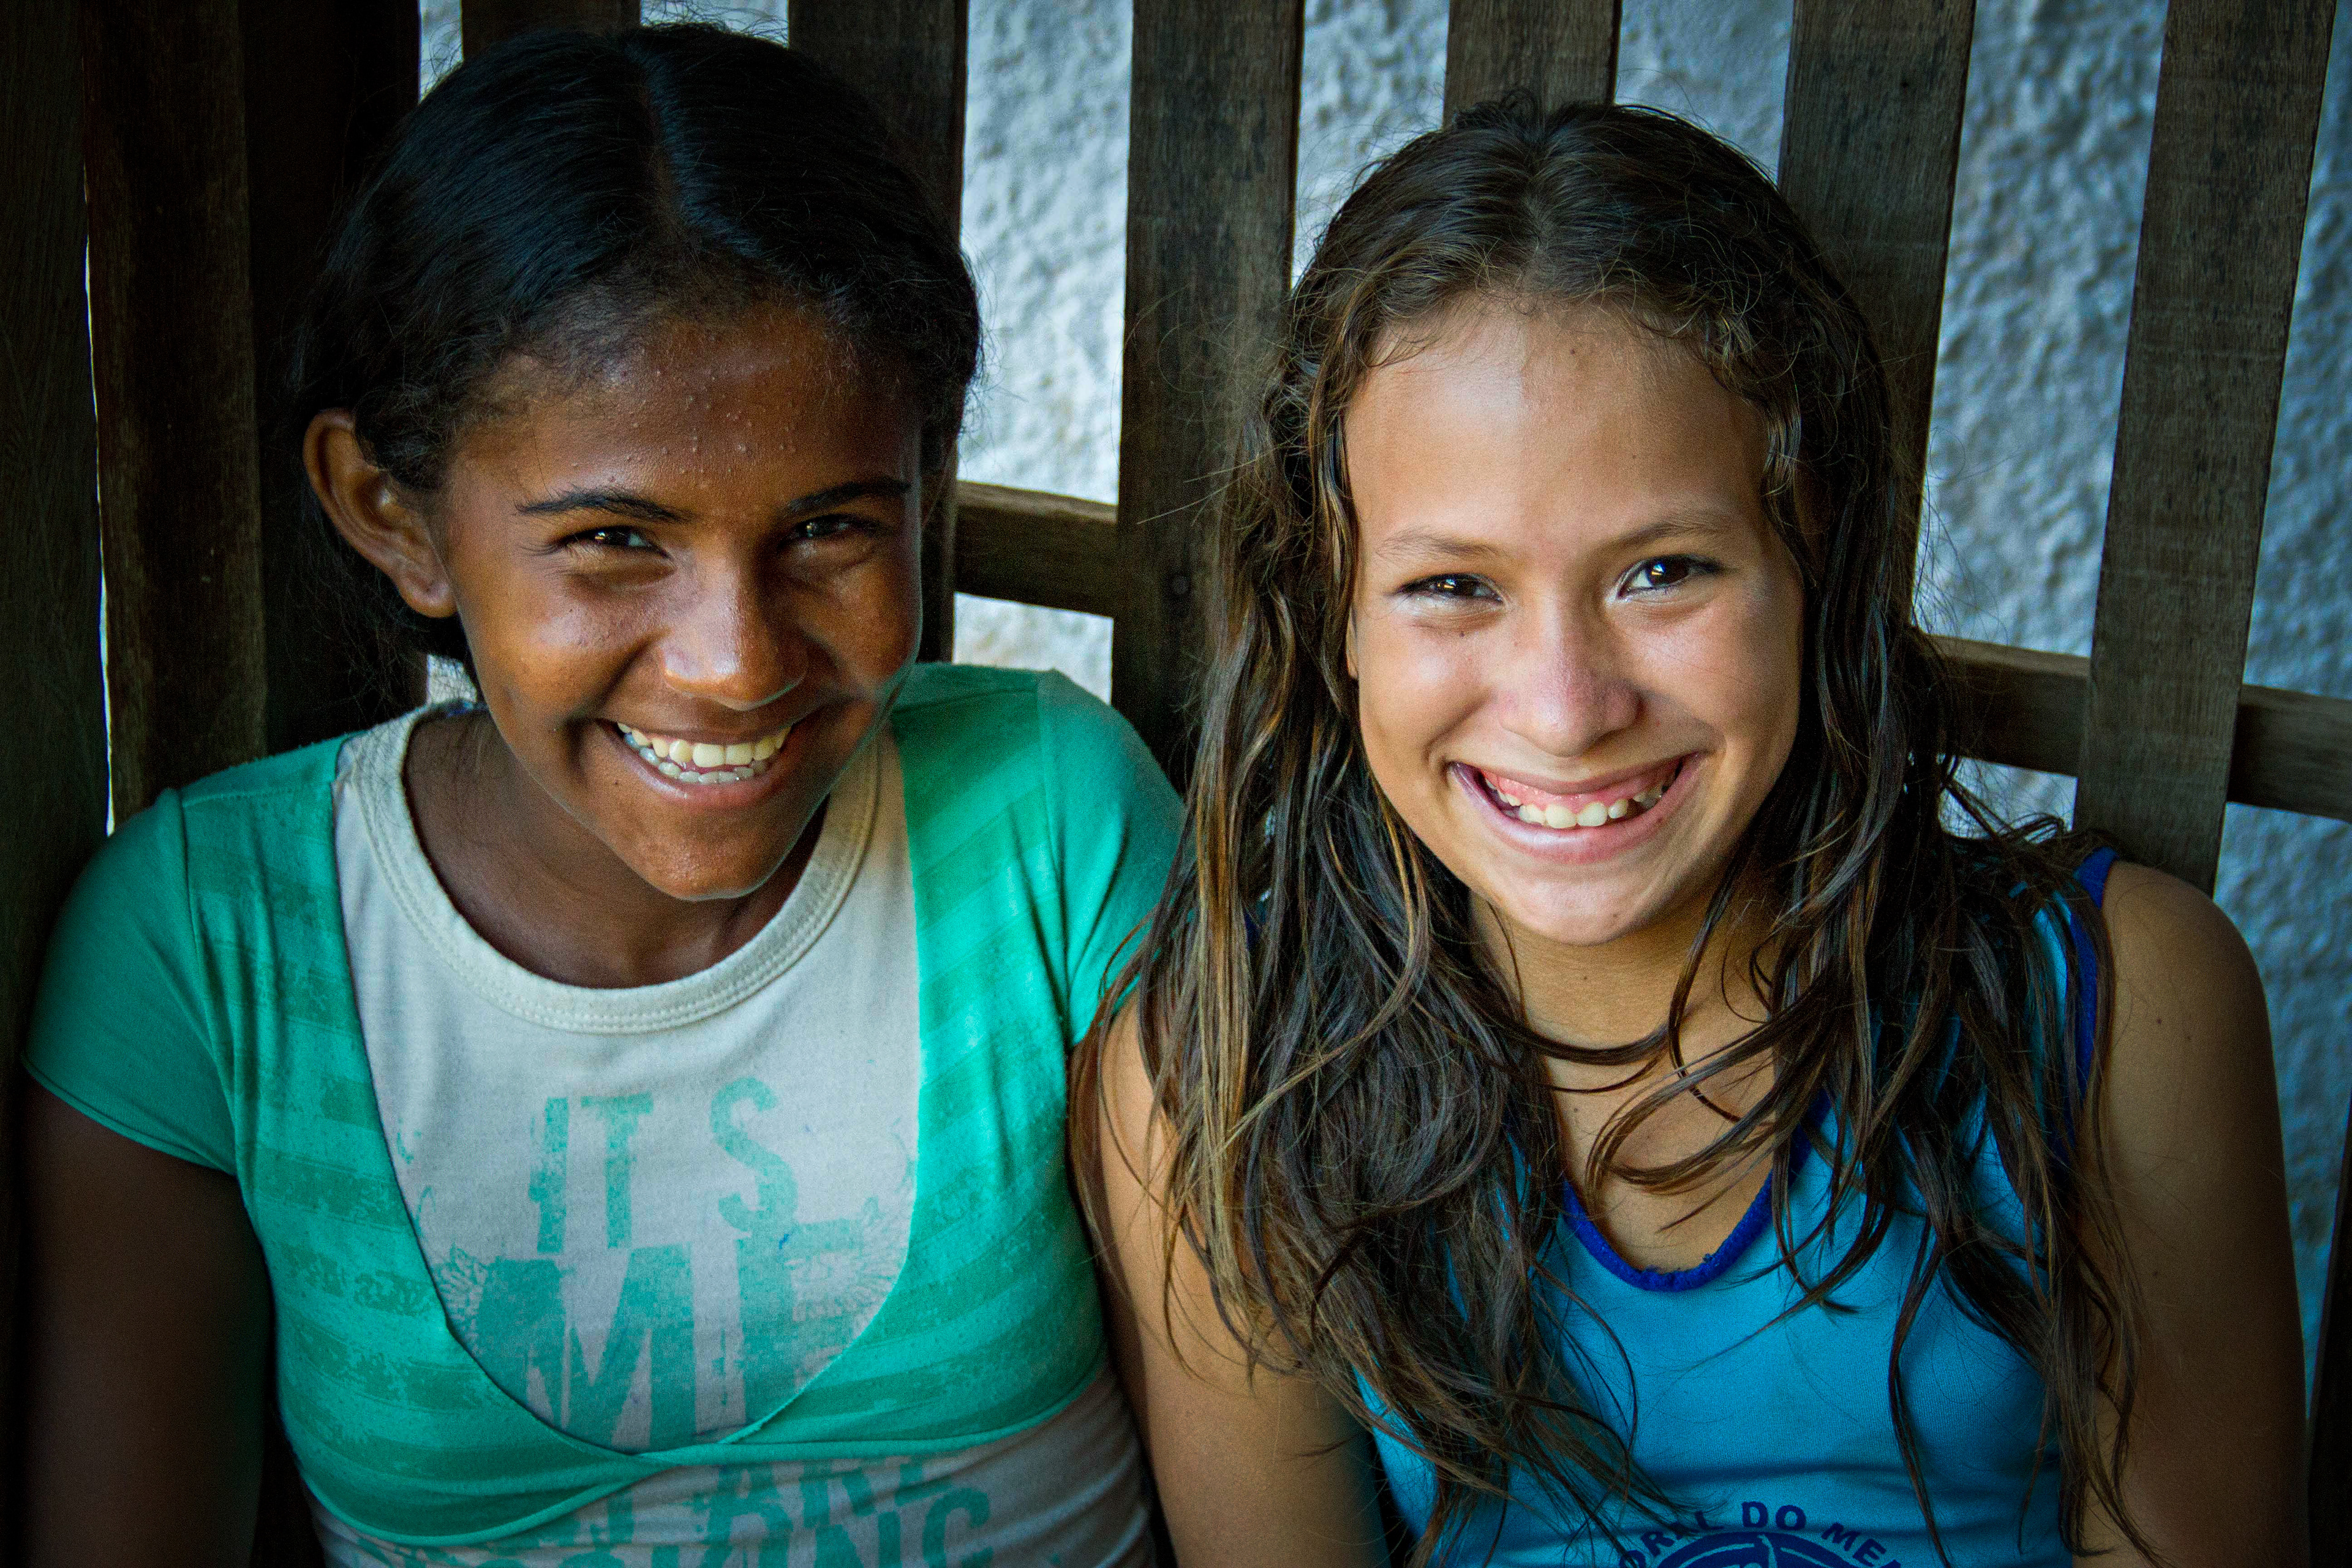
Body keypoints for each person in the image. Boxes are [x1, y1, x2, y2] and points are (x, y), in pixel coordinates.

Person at [1080, 99, 2305, 1568]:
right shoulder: (1229, 1069)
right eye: (1452, 586)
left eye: (1663, 571)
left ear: (1816, 562)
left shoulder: (2111, 1006)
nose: (1565, 707)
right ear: (1331, 614)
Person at [23, 25, 1175, 1567]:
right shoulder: (209, 947)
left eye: (830, 528)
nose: (734, 662)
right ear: (393, 512)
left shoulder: (1049, 830)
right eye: (615, 541)